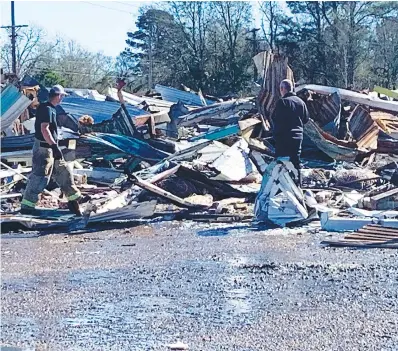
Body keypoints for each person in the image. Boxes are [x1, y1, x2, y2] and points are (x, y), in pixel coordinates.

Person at [21, 85, 82, 216]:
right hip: (44, 149)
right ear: (58, 96)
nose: (62, 99)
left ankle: (74, 199)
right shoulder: (47, 109)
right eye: (62, 96)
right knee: (40, 176)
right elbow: (44, 129)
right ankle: (27, 206)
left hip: (50, 146)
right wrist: (54, 146)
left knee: (63, 171)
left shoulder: (50, 109)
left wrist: (54, 147)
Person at [271, 79, 310, 185]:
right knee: (295, 162)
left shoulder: (282, 102)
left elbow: (274, 118)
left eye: (280, 89)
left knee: (281, 163)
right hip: (297, 138)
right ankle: (298, 185)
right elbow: (306, 119)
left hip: (284, 138)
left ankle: (280, 186)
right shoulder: (301, 102)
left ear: (283, 89)